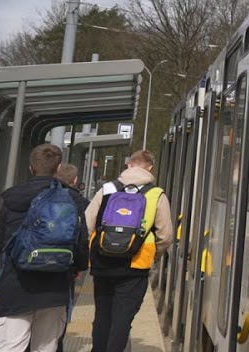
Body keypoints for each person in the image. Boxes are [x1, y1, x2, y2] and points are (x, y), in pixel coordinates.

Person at [0, 143, 89, 352]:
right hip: (56, 285)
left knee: (11, 346)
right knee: (46, 347)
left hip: (15, 284)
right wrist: (76, 267)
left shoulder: (12, 197)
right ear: (58, 168)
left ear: (31, 168)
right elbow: (81, 242)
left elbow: (1, 243)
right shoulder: (71, 198)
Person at [85, 149, 173, 352]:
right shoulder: (156, 194)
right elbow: (165, 236)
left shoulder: (106, 189)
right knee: (122, 318)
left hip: (103, 262)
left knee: (103, 314)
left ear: (129, 165)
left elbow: (88, 224)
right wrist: (154, 255)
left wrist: (93, 251)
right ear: (150, 168)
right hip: (136, 265)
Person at [52, 164, 88, 352]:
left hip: (32, 262)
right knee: (59, 312)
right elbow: (83, 238)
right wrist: (80, 266)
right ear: (74, 180)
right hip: (65, 265)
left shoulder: (43, 195)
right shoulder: (81, 202)